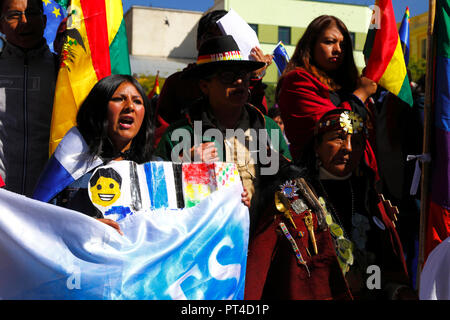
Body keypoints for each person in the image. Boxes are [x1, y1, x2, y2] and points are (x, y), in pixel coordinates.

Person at [245, 108, 416, 300]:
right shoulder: (292, 196)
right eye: (339, 138)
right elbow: (260, 269)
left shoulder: (370, 199)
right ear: (317, 145)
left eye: (357, 142)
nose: (348, 148)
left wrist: (396, 291)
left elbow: (388, 269)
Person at [155, 35, 291, 232]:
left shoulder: (268, 128)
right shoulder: (179, 135)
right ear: (204, 86)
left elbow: (292, 188)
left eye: (243, 75)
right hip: (204, 243)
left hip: (262, 242)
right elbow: (158, 199)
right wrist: (186, 170)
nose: (239, 82)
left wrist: (281, 170)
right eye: (227, 76)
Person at [43, 74, 154, 234]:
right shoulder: (69, 165)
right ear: (98, 109)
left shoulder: (154, 169)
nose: (130, 106)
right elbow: (40, 224)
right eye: (119, 99)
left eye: (137, 101)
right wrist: (84, 228)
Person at [276, 15, 377, 162]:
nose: (338, 50)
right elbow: (331, 129)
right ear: (311, 45)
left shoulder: (349, 85)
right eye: (330, 42)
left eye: (343, 45)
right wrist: (360, 95)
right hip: (316, 178)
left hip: (357, 177)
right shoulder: (296, 81)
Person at [156, 10, 273, 127]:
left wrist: (254, 78)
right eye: (210, 36)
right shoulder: (177, 83)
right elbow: (162, 132)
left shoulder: (247, 82)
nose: (218, 43)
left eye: (224, 36)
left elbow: (262, 124)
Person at [0, 0, 57, 196]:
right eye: (14, 15)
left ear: (44, 20)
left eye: (32, 13)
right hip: (4, 200)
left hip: (51, 199)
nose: (24, 21)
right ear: (0, 24)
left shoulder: (65, 72)